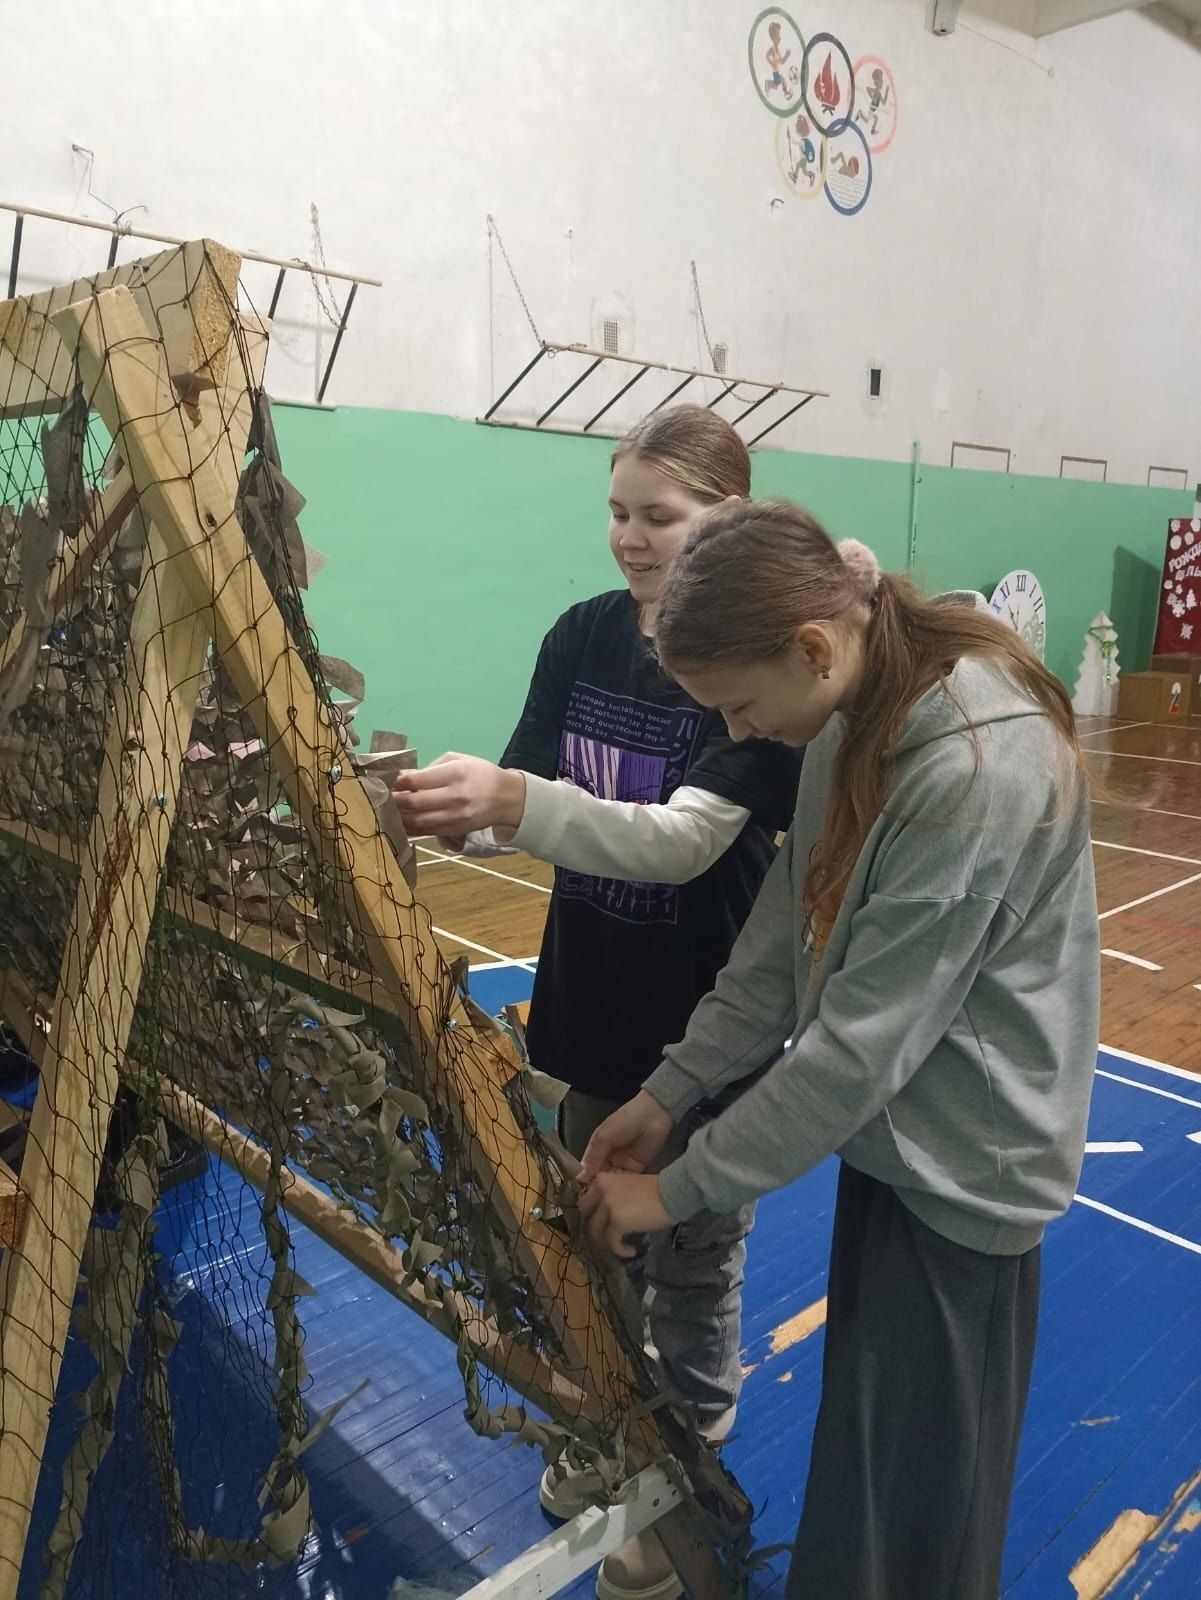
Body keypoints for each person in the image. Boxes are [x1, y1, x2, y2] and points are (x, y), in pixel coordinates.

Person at [578, 499, 1099, 1600]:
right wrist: (668, 1093)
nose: (738, 733)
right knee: (869, 1467)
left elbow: (852, 1054)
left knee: (923, 1510)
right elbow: (779, 940)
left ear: (813, 647)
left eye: (740, 705)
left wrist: (670, 1195)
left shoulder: (970, 769)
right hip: (899, 1152)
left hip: (969, 1178)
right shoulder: (849, 716)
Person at [393, 410, 802, 1600]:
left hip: (702, 1028)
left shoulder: (749, 665)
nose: (629, 537)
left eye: (658, 517)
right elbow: (523, 790)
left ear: (729, 518)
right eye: (617, 511)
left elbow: (677, 842)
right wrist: (438, 802)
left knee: (697, 1267)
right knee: (585, 1249)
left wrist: (513, 800)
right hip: (580, 1013)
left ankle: (690, 1467)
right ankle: (600, 1437)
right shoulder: (580, 635)